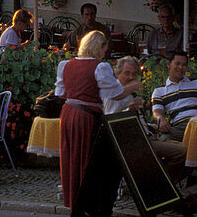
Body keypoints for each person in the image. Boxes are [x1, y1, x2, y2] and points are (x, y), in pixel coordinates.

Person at [55, 31, 142, 214]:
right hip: (85, 116)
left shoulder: (67, 65)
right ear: (98, 47)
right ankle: (87, 204)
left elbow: (61, 93)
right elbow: (113, 93)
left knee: (72, 158)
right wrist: (133, 87)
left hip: (68, 113)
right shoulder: (99, 67)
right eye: (104, 49)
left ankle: (77, 203)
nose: (105, 53)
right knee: (87, 160)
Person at [107, 56, 188, 185]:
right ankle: (160, 186)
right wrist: (128, 112)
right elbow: (110, 124)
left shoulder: (129, 93)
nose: (131, 77)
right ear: (117, 73)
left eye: (134, 74)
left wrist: (152, 126)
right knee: (184, 153)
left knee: (193, 150)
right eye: (127, 73)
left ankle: (163, 182)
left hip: (147, 136)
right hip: (135, 143)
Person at [151, 50, 197, 141]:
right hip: (180, 127)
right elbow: (156, 113)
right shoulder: (160, 91)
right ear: (168, 64)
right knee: (164, 141)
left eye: (184, 65)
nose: (181, 67)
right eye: (177, 64)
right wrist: (161, 119)